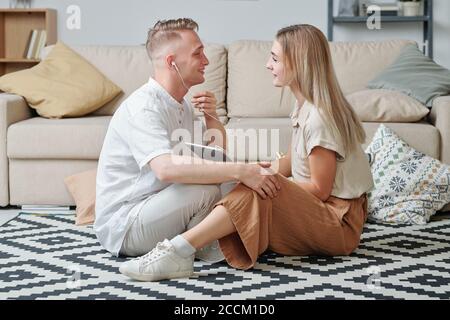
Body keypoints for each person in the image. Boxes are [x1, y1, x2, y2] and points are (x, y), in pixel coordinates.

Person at [119, 24, 375, 282]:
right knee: (255, 182)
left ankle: (177, 251)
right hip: (321, 211)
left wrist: (260, 179)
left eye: (274, 58)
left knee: (257, 187)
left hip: (338, 223)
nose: (267, 64)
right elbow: (290, 160)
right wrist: (259, 171)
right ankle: (185, 248)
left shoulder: (319, 117)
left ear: (298, 63)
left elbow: (320, 189)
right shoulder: (305, 107)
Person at [94, 18, 281, 262]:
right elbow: (166, 169)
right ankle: (205, 245)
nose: (206, 61)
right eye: (198, 54)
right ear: (172, 62)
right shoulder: (144, 107)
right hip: (126, 227)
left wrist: (212, 119)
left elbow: (213, 160)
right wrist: (242, 170)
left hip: (160, 208)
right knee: (208, 187)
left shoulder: (181, 105)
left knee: (227, 181)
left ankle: (211, 239)